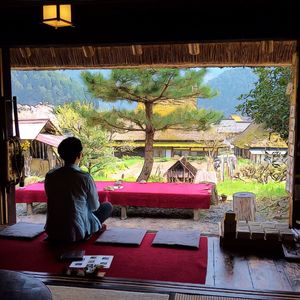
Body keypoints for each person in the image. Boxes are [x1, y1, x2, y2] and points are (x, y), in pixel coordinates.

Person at [44, 137, 113, 242]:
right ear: (80, 155)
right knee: (107, 206)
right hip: (77, 232)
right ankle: (92, 229)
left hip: (53, 231)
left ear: (61, 155)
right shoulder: (84, 177)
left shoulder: (50, 176)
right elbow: (95, 206)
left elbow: (51, 197)